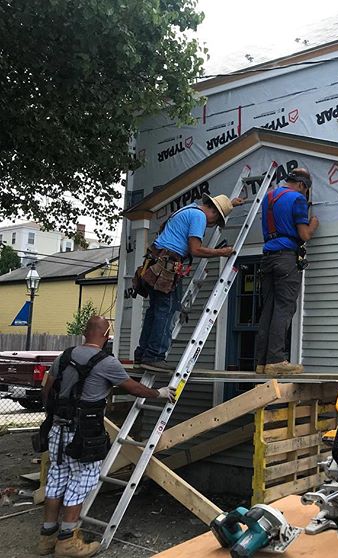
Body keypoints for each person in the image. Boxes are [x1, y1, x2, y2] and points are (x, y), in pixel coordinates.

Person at [38, 316, 176, 558]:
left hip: (58, 430)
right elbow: (133, 388)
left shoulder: (65, 355)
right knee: (79, 484)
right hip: (85, 434)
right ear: (106, 334)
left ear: (84, 333)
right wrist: (159, 392)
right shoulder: (106, 362)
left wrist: (53, 412)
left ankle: (47, 538)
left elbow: (47, 388)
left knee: (56, 481)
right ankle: (67, 542)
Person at [135, 193, 243, 370]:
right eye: (215, 222)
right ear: (214, 212)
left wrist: (231, 204)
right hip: (166, 265)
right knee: (166, 310)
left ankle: (143, 353)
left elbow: (216, 208)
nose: (210, 226)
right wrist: (221, 252)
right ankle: (154, 356)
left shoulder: (189, 209)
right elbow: (196, 249)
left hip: (156, 263)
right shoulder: (199, 216)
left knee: (155, 310)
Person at [255, 168, 319, 375]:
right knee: (284, 307)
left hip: (267, 257)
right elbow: (305, 234)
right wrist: (314, 224)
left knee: (269, 309)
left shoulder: (269, 197)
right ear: (302, 185)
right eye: (305, 190)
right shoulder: (297, 199)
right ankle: (276, 360)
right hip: (285, 258)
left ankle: (262, 362)